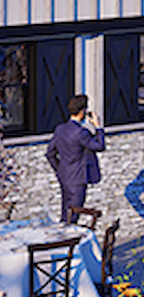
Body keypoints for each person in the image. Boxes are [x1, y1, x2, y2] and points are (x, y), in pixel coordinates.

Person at [46, 94, 105, 223]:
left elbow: (50, 153)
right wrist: (98, 127)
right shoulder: (81, 133)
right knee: (73, 216)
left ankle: (64, 240)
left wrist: (59, 169)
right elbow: (100, 146)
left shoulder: (60, 129)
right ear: (82, 111)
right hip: (77, 179)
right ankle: (68, 242)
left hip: (65, 177)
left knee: (65, 214)